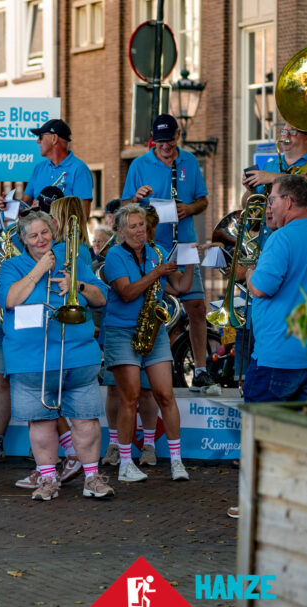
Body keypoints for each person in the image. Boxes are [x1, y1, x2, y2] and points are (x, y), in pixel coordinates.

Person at [0, 211, 112, 500]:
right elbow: (10, 299)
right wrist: (39, 270)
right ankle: (48, 479)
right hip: (30, 361)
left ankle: (92, 478)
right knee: (41, 422)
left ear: (53, 232)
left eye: (44, 233)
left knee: (85, 420)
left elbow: (101, 298)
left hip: (77, 357)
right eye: (33, 235)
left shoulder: (73, 261)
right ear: (23, 240)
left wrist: (78, 285)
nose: (41, 239)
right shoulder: (12, 266)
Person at [121, 114, 215, 393]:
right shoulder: (139, 165)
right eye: (160, 141)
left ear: (178, 136)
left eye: (170, 141)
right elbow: (123, 206)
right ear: (154, 139)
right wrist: (136, 199)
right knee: (150, 307)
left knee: (197, 306)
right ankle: (147, 368)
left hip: (184, 242)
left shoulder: (189, 161)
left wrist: (189, 208)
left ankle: (200, 370)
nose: (165, 146)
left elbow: (203, 200)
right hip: (152, 246)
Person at [103, 203, 194, 483]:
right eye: (133, 226)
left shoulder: (156, 253)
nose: (140, 231)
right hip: (122, 332)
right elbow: (127, 293)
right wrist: (156, 273)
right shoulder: (114, 255)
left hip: (154, 331)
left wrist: (190, 260)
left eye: (141, 225)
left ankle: (177, 461)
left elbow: (180, 287)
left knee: (166, 395)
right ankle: (125, 463)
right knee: (129, 398)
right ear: (120, 231)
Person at [245, 174, 307, 402]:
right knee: (301, 426)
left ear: (288, 202)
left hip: (277, 359)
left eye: (272, 200)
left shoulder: (281, 238)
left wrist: (250, 273)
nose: (269, 206)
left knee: (261, 426)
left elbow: (260, 288)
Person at [242, 122, 307, 228]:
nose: (286, 135)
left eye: (292, 132)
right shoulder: (270, 165)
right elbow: (247, 207)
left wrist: (271, 177)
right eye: (284, 131)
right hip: (272, 234)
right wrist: (251, 190)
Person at [19, 119, 94, 215]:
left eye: (41, 136)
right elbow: (24, 204)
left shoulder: (79, 170)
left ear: (54, 138)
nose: (38, 141)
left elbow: (83, 215)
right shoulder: (38, 168)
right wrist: (8, 206)